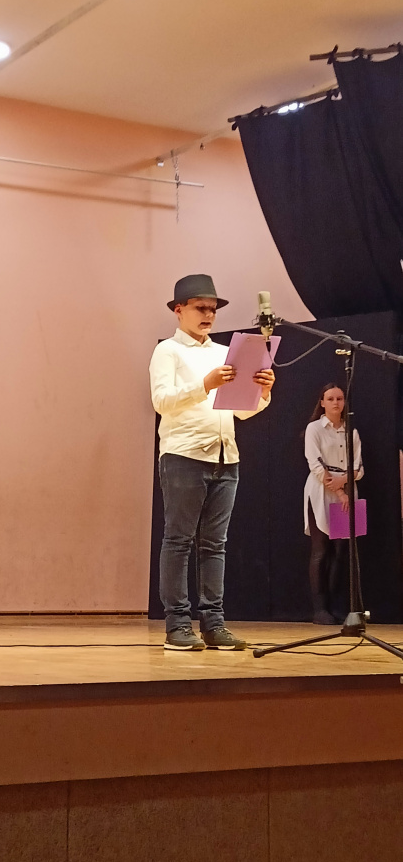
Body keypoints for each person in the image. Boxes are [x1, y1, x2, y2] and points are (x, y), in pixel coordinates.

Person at [149, 274, 275, 651]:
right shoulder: (168, 351)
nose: (208, 314)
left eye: (213, 309)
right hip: (184, 455)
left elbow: (241, 411)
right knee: (179, 540)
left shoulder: (224, 352)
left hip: (225, 455)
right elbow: (161, 401)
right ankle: (177, 624)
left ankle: (214, 623)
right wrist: (204, 384)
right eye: (200, 307)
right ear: (179, 310)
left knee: (214, 544)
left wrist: (262, 392)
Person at [304, 383, 363, 625]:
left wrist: (345, 483)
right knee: (321, 550)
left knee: (341, 551)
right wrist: (339, 491)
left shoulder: (351, 432)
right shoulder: (314, 429)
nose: (336, 403)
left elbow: (359, 467)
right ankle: (319, 608)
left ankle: (335, 605)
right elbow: (315, 464)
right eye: (330, 399)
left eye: (339, 398)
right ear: (322, 403)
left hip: (346, 490)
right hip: (321, 491)